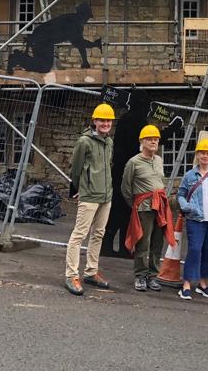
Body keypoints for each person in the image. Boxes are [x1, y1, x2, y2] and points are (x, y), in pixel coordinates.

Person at [64, 103, 115, 296]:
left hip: (105, 195)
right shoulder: (84, 142)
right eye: (102, 120)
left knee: (98, 234)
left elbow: (108, 166)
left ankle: (91, 272)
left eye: (108, 120)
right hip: (89, 195)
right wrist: (79, 188)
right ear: (94, 121)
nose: (105, 123)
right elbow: (75, 169)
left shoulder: (109, 142)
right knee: (79, 234)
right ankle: (71, 275)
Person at [121, 124, 171, 292]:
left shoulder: (159, 160)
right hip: (143, 208)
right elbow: (126, 188)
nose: (153, 142)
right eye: (149, 139)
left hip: (160, 207)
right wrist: (135, 205)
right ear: (142, 141)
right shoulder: (133, 163)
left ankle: (152, 276)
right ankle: (140, 276)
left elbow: (160, 183)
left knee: (158, 242)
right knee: (143, 242)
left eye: (156, 139)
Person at [176, 138, 208, 300]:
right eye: (202, 153)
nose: (205, 156)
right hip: (195, 219)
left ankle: (203, 284)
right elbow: (181, 194)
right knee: (195, 250)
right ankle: (186, 284)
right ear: (197, 155)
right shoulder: (190, 175)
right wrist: (186, 207)